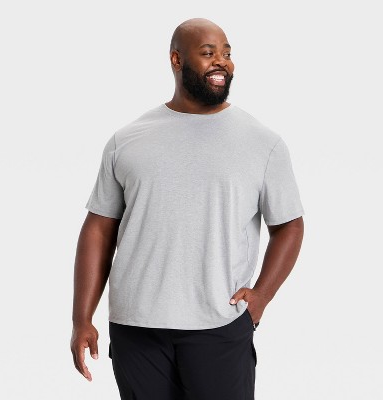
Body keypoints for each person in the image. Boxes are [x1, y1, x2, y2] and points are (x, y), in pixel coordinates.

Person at [70, 17, 305, 400]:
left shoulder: (263, 143)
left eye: (227, 53)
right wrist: (82, 318)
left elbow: (289, 225)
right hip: (136, 328)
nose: (222, 61)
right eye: (208, 53)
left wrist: (262, 295)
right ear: (177, 60)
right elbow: (98, 227)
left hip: (218, 324)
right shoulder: (127, 140)